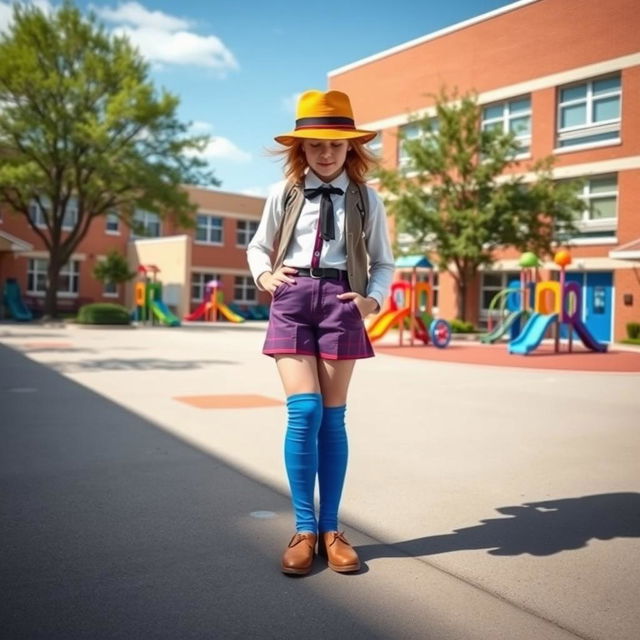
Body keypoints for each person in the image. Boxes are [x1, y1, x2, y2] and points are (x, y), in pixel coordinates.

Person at [246, 89, 394, 575]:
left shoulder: (368, 199)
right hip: (291, 299)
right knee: (304, 409)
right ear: (301, 149)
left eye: (335, 144)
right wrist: (266, 278)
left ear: (351, 147)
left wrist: (372, 299)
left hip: (341, 302)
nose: (326, 153)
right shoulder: (282, 194)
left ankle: (331, 530)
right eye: (314, 145)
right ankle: (304, 529)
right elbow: (258, 248)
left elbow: (383, 261)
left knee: (333, 417)